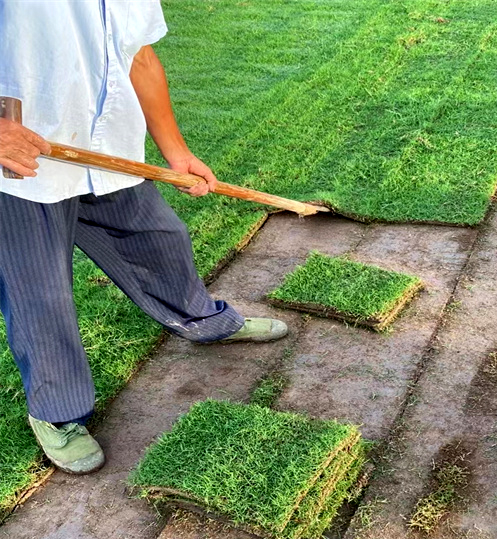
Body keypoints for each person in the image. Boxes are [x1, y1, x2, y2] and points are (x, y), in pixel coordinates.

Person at [0, 1, 288, 475]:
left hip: (106, 150)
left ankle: (204, 323)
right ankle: (58, 413)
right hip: (23, 167)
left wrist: (177, 152)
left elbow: (140, 57)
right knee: (39, 294)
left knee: (161, 241)